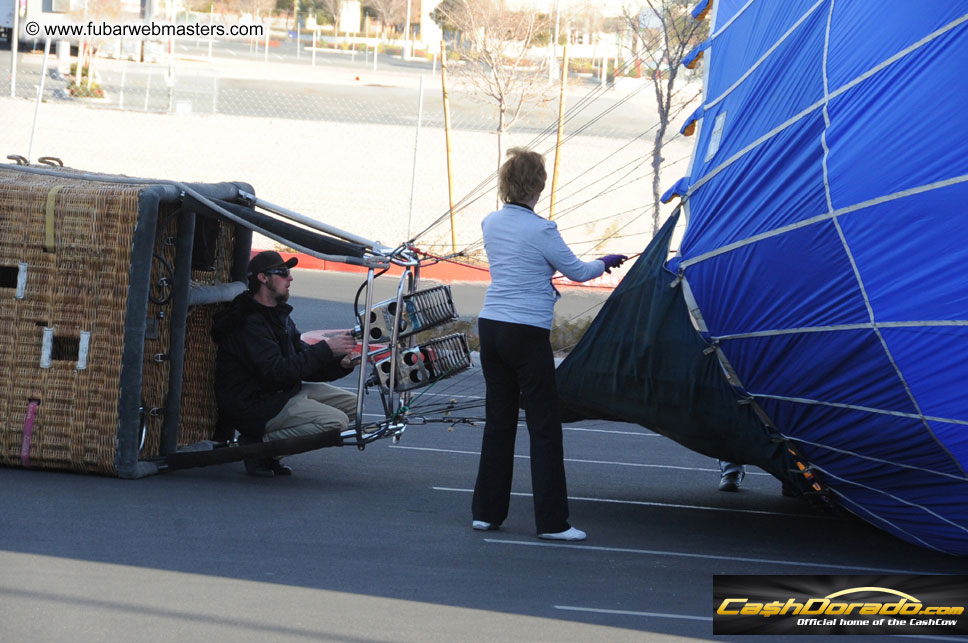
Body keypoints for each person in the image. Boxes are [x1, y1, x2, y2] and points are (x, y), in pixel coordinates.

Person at [471, 147, 628, 541]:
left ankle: (487, 513)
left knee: (499, 422)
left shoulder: (490, 222)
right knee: (543, 426)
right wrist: (605, 261)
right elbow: (577, 271)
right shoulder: (543, 229)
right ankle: (552, 522)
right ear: (538, 186)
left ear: (506, 183)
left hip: (491, 327)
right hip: (526, 332)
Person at [211, 250, 359, 477]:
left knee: (355, 406)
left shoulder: (277, 315)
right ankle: (258, 448)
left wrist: (342, 363)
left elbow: (301, 359)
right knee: (334, 423)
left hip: (277, 393)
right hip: (255, 404)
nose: (289, 278)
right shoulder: (249, 322)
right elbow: (277, 372)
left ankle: (266, 448)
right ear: (263, 278)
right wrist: (327, 348)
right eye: (282, 272)